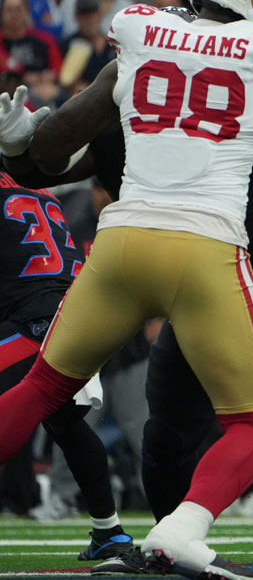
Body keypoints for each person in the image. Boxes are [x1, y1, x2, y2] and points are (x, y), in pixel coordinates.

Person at [0, 0, 253, 580]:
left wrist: (16, 143)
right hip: (203, 248)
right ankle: (183, 528)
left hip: (121, 242)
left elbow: (49, 150)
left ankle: (170, 529)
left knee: (43, 385)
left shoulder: (139, 31)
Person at [0, 115, 133, 566]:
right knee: (66, 425)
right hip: (75, 315)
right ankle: (109, 532)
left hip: (31, 322)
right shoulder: (41, 191)